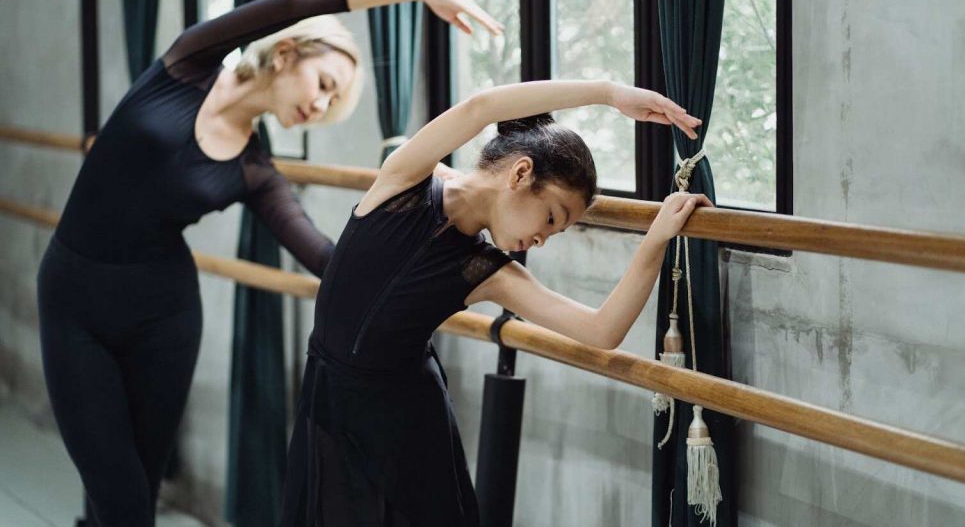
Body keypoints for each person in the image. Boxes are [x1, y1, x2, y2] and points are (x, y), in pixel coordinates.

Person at [37, 0, 501, 526]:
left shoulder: (254, 172)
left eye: (333, 101)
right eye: (325, 83)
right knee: (120, 495)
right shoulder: (187, 64)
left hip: (163, 317)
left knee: (133, 484)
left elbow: (330, 260)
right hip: (74, 301)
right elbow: (300, 2)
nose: (323, 103)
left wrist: (443, 269)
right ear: (286, 53)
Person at [280, 78, 711, 525]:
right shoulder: (402, 179)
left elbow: (602, 331)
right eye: (550, 217)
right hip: (326, 400)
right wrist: (608, 94)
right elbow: (481, 107)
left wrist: (654, 241)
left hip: (404, 422)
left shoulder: (487, 271)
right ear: (520, 174)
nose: (542, 238)